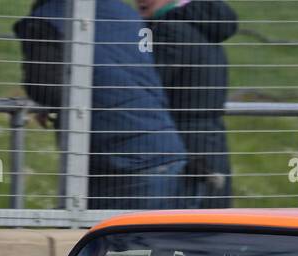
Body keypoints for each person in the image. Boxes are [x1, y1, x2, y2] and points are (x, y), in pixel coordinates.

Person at [15, 0, 186, 209]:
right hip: (166, 149)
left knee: (102, 237)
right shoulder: (123, 11)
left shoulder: (46, 20)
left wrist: (45, 102)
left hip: (118, 161)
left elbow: (45, 86)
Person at [136, 0, 238, 208]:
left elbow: (148, 85)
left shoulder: (169, 29)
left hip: (185, 147)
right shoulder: (200, 25)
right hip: (209, 143)